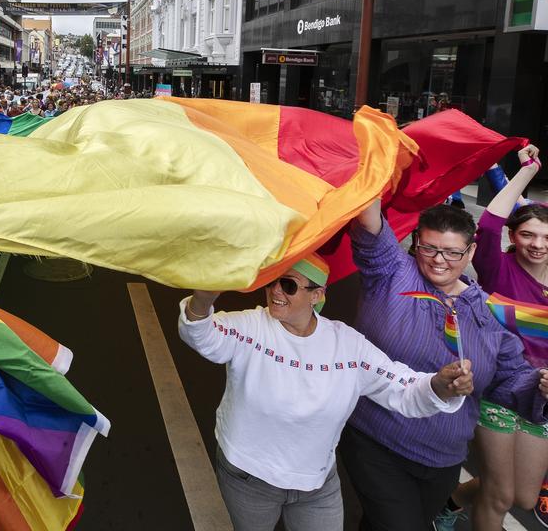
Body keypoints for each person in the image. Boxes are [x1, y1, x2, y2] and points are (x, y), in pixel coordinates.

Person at [179, 255, 472, 531]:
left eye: (289, 285)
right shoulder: (251, 326)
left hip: (317, 484)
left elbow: (401, 385)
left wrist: (438, 385)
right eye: (272, 281)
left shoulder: (347, 344)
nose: (276, 291)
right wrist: (202, 300)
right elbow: (203, 335)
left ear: (316, 295)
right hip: (249, 477)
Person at [341, 200, 548, 531]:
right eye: (429, 249)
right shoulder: (391, 272)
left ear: (470, 252)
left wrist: (540, 386)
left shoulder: (489, 313)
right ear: (415, 243)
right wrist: (373, 158)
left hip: (443, 457)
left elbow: (510, 383)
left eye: (452, 252)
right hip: (376, 439)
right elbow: (368, 220)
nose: (439, 260)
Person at [436, 145, 548, 530]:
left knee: (522, 497)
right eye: (528, 235)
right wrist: (528, 171)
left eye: (546, 237)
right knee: (500, 497)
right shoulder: (498, 269)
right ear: (513, 237)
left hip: (541, 401)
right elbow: (487, 225)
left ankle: (449, 501)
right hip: (497, 392)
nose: (538, 244)